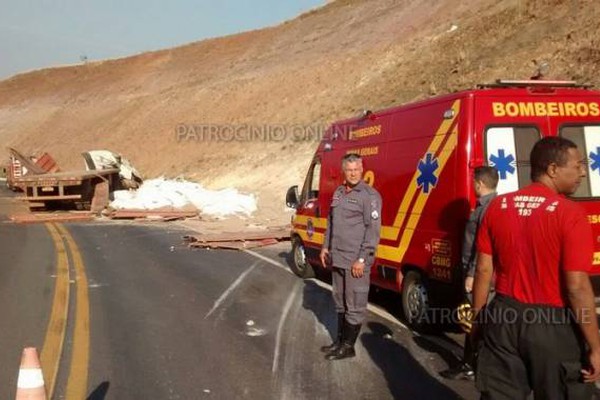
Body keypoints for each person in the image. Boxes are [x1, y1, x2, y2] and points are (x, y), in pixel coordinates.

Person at [472, 137, 600, 399]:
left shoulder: (498, 206)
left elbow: (484, 270)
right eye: (577, 166)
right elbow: (576, 287)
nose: (582, 172)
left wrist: (477, 321)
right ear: (553, 169)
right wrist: (595, 345)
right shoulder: (570, 214)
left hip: (503, 317)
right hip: (551, 323)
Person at [319, 153, 382, 361]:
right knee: (340, 301)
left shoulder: (369, 196)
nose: (353, 173)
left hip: (355, 261)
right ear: (343, 171)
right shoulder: (338, 192)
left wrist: (362, 259)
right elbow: (331, 221)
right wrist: (325, 247)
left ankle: (348, 346)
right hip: (337, 258)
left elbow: (372, 232)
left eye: (356, 169)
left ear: (362, 169)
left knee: (354, 304)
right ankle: (339, 341)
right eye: (349, 170)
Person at [441, 166, 498, 380]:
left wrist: (472, 274)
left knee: (473, 319)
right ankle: (471, 362)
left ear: (479, 184)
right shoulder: (493, 205)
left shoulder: (485, 209)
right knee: (476, 319)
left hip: (479, 274)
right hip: (483, 273)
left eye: (474, 182)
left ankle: (472, 366)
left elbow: (482, 247)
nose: (473, 185)